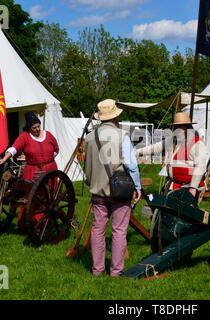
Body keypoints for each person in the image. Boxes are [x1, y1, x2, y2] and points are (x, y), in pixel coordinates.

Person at [84, 99, 142, 277]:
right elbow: (131, 165)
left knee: (98, 230)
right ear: (116, 117)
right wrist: (137, 186)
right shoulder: (122, 135)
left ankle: (97, 270)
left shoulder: (89, 137)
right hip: (120, 190)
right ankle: (116, 271)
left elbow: (87, 164)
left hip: (98, 190)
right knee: (119, 231)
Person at [0, 111, 59, 230]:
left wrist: (47, 161)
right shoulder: (24, 136)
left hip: (50, 171)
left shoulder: (48, 135)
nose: (37, 129)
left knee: (48, 198)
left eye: (38, 126)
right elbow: (14, 148)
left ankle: (45, 223)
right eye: (34, 127)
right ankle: (31, 224)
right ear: (29, 128)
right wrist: (4, 159)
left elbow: (56, 149)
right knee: (30, 197)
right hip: (32, 171)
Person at [135, 112, 207, 198]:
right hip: (175, 186)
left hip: (189, 188)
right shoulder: (173, 140)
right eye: (176, 127)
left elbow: (200, 167)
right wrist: (136, 152)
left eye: (181, 127)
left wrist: (193, 187)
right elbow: (156, 147)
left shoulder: (197, 143)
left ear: (188, 128)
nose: (178, 130)